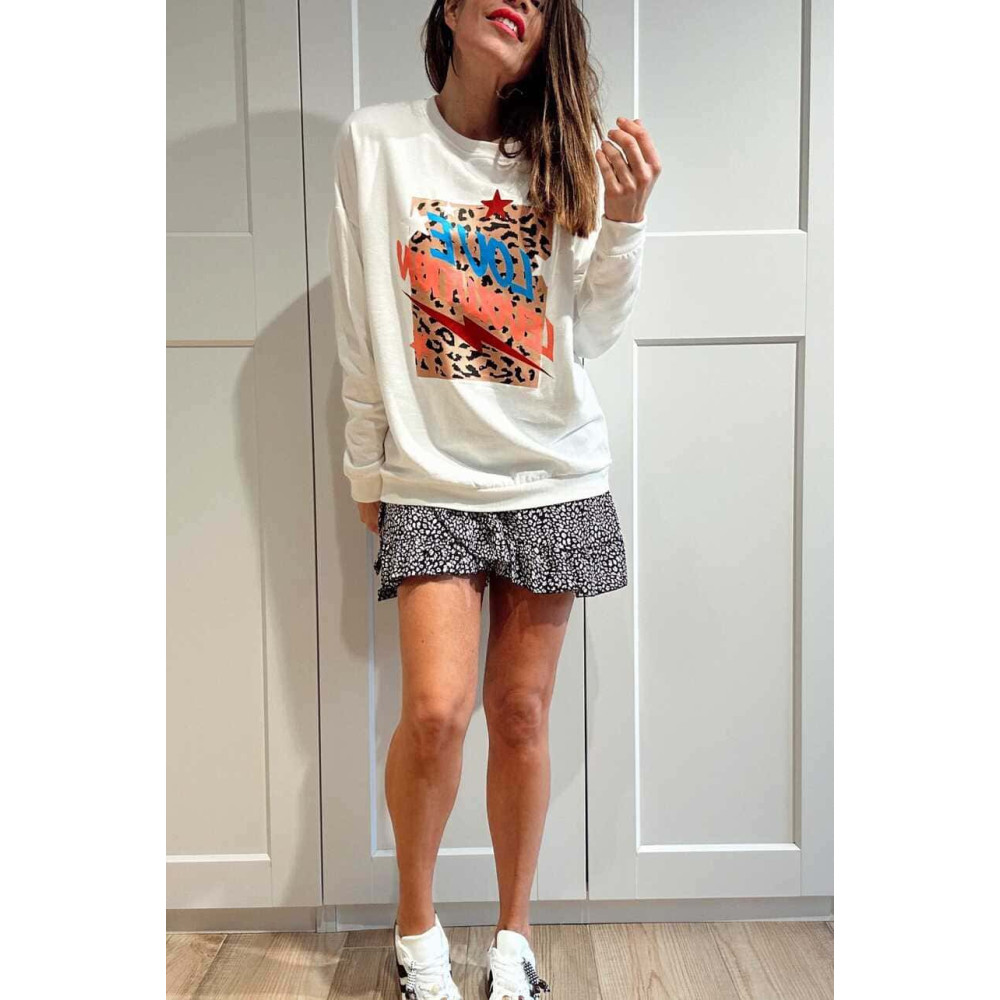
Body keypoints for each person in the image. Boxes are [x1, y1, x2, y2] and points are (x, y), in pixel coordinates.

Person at [327, 2, 660, 997]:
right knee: (436, 711)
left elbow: (589, 331)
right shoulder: (376, 144)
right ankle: (416, 931)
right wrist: (366, 468)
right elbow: (358, 326)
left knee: (520, 711)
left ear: (548, 33)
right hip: (430, 473)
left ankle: (515, 937)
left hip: (552, 473)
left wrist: (626, 222)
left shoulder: (565, 157)